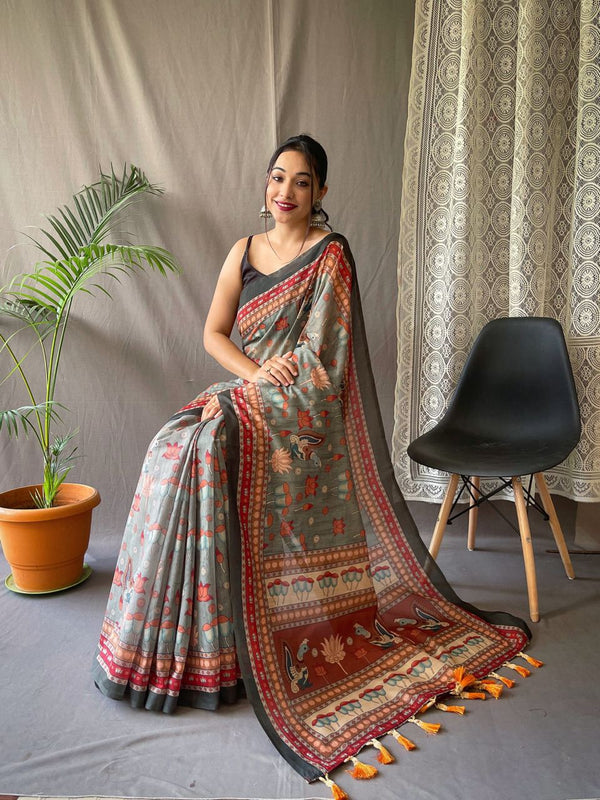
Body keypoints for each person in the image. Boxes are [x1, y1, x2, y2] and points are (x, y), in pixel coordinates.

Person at [93, 134, 532, 785]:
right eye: (277, 178)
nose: (285, 192)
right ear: (265, 184)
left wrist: (278, 383)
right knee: (174, 447)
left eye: (301, 181)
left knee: (210, 441)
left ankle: (232, 645)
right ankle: (183, 645)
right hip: (259, 388)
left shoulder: (331, 258)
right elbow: (214, 334)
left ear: (320, 192)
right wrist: (257, 376)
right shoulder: (242, 252)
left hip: (309, 405)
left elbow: (328, 365)